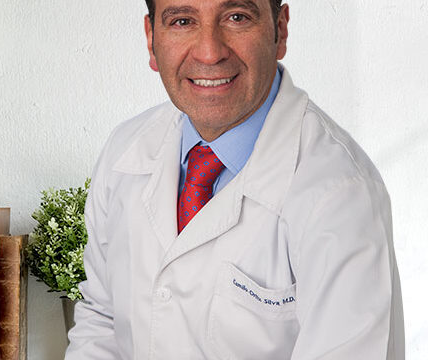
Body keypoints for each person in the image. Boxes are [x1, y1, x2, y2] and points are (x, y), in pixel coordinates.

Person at [65, 0, 405, 358]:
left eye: (237, 17)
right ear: (152, 40)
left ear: (280, 30)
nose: (210, 53)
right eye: (182, 21)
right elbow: (103, 320)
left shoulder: (340, 192)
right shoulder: (125, 150)